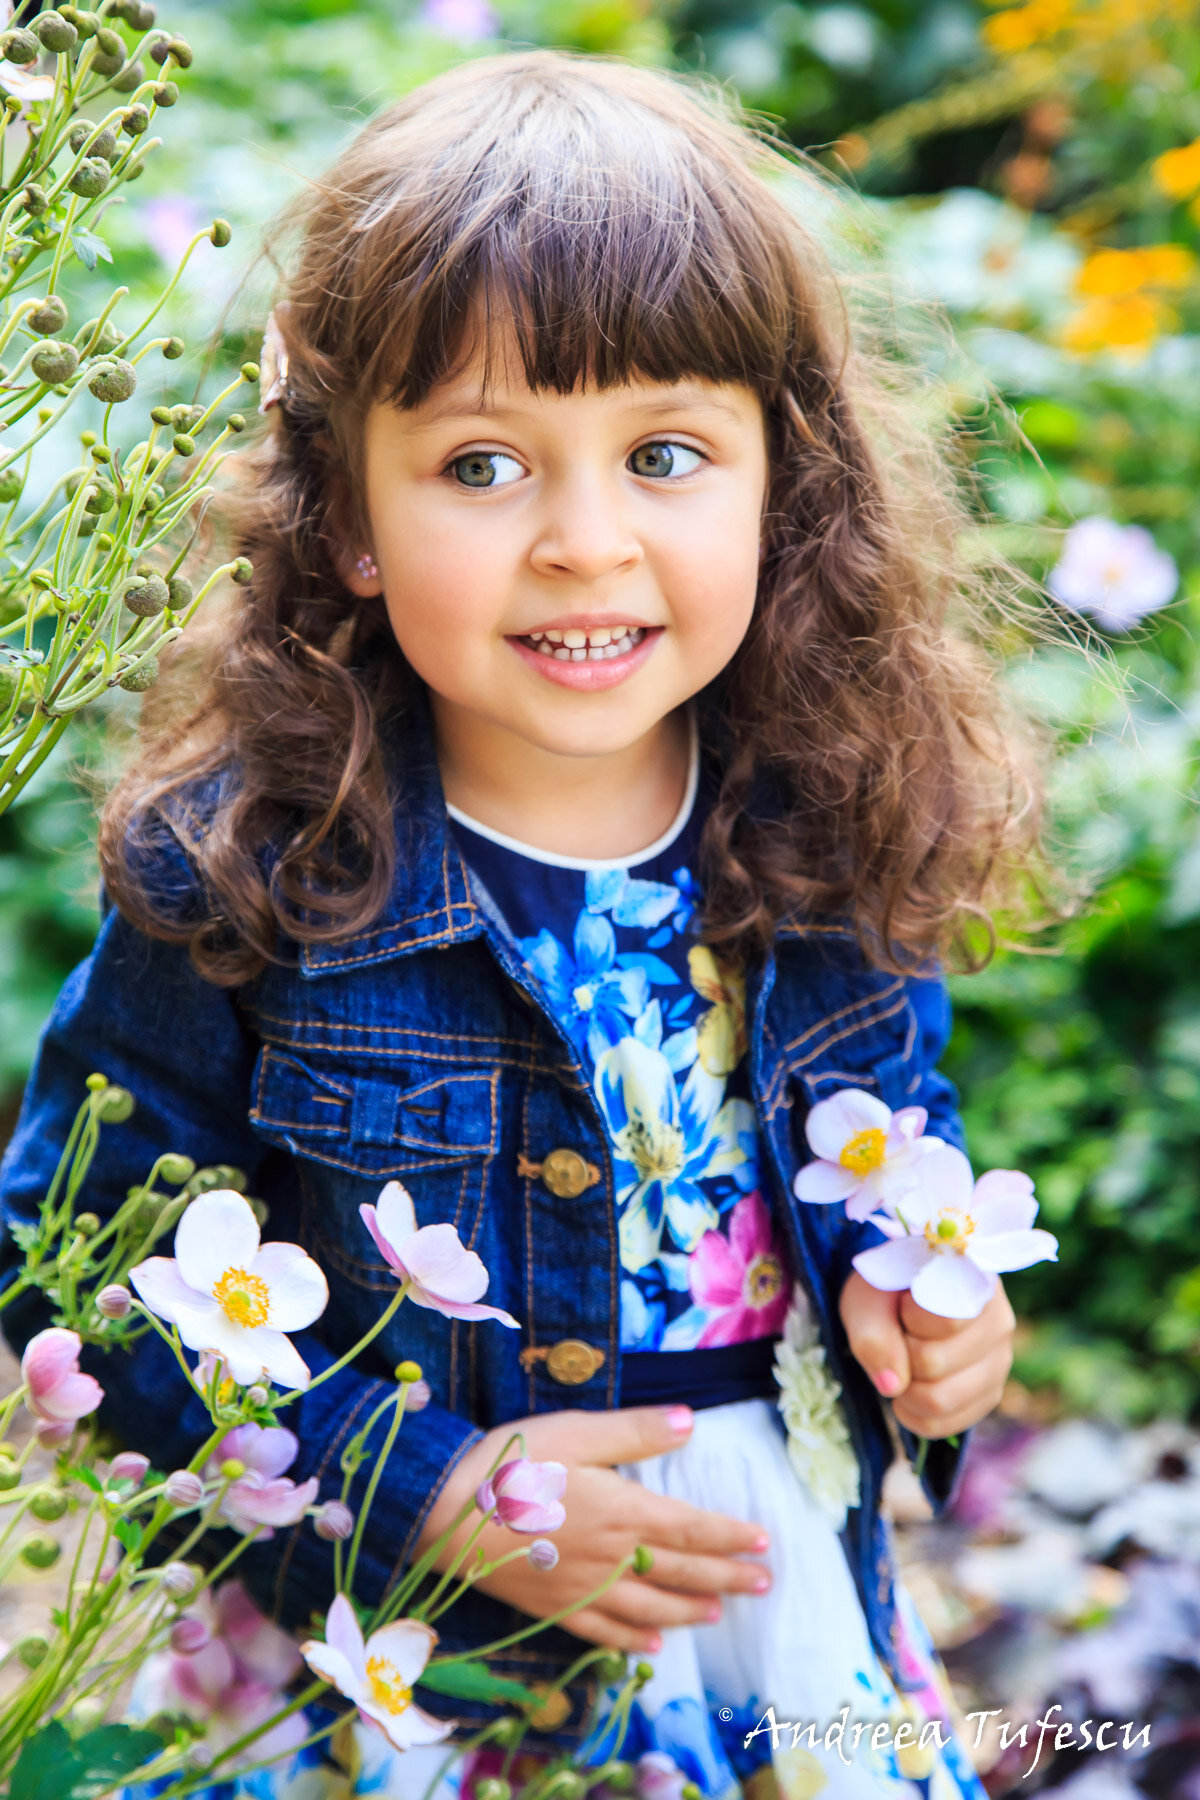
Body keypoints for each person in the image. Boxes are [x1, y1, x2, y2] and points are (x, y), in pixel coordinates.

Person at [0, 50, 1040, 1800]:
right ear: (348, 518)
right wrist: (423, 1497)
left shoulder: (831, 825)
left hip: (773, 1596)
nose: (583, 542)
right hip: (404, 1648)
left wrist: (937, 1330)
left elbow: (895, 1153)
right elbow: (82, 1267)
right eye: (482, 464)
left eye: (662, 453)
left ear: (781, 477)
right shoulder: (248, 873)